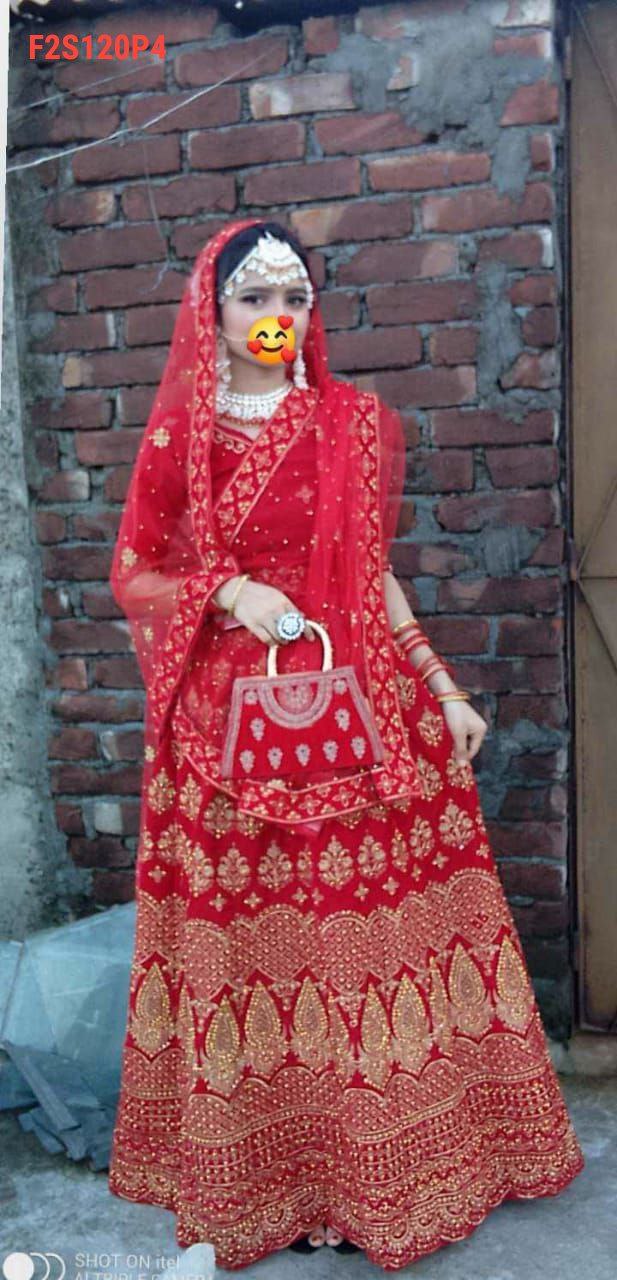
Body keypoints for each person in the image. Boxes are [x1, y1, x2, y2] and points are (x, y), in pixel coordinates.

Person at [107, 217, 585, 1271]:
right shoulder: (182, 437)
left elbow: (371, 573)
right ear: (210, 314)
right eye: (254, 298)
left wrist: (439, 685)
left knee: (369, 949)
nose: (276, 317)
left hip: (364, 715)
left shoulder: (353, 422)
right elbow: (134, 571)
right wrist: (229, 591)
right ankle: (283, 1181)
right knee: (272, 956)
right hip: (226, 737)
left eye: (294, 299)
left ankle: (410, 1166)